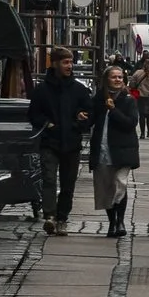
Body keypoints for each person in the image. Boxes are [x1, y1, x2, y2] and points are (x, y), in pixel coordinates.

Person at [28, 44, 94, 234]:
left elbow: (89, 113)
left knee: (68, 184)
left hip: (72, 142)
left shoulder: (79, 90)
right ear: (55, 64)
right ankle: (49, 216)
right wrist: (47, 124)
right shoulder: (42, 90)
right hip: (50, 141)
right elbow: (33, 114)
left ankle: (62, 218)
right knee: (49, 179)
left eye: (71, 62)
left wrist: (81, 119)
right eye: (65, 62)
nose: (69, 66)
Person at [88, 60, 141, 237]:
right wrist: (82, 118)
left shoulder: (128, 100)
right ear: (107, 80)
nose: (118, 80)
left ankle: (121, 220)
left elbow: (131, 123)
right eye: (114, 77)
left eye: (120, 77)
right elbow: (91, 120)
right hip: (102, 149)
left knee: (120, 184)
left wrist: (114, 110)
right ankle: (113, 223)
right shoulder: (98, 99)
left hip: (123, 150)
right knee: (106, 188)